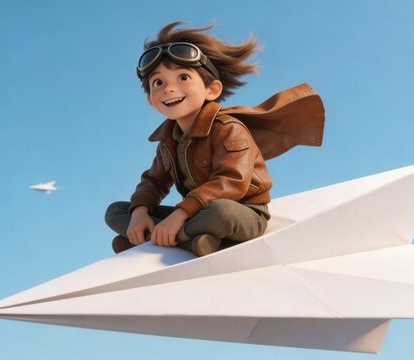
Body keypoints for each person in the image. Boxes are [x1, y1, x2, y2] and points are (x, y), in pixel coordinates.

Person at [105, 21, 324, 256]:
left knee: (221, 214)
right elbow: (153, 182)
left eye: (183, 78)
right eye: (158, 82)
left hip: (241, 210)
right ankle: (189, 240)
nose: (168, 88)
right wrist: (140, 211)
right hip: (194, 213)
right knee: (116, 211)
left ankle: (158, 238)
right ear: (151, 99)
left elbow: (232, 181)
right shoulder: (168, 141)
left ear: (212, 89)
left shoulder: (228, 128)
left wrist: (180, 214)